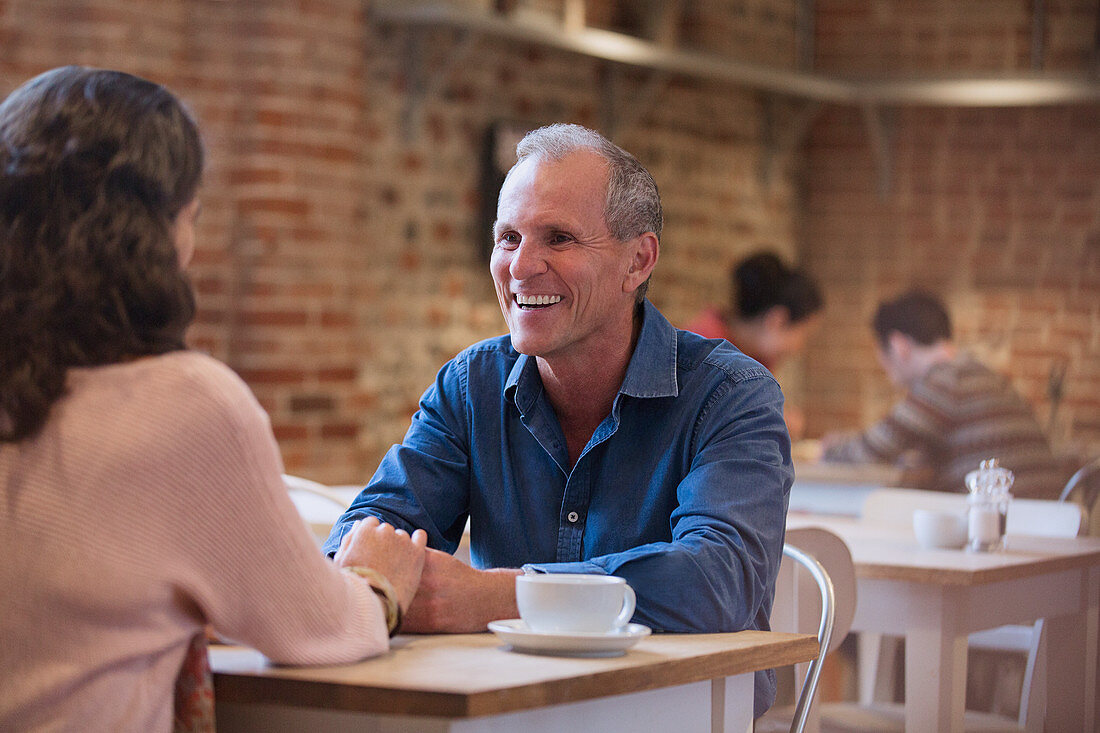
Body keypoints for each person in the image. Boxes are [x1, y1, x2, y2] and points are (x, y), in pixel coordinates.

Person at [0, 66, 427, 732]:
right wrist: (379, 584)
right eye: (191, 216)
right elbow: (315, 626)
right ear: (162, 232)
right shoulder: (185, 405)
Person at [324, 123, 793, 717]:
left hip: (678, 716)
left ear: (638, 260)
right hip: (513, 713)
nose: (521, 267)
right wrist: (370, 570)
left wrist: (495, 596)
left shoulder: (731, 394)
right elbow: (373, 527)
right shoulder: (470, 387)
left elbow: (720, 578)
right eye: (508, 237)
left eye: (559, 238)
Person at [821, 291, 1065, 498]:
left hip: (1014, 519)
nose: (884, 367)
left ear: (898, 345)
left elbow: (874, 449)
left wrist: (829, 448)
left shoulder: (945, 382)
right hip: (1045, 512)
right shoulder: (977, 372)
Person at [686, 251, 824, 438]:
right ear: (778, 320)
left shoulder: (757, 357)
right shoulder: (704, 346)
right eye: (803, 333)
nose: (798, 347)